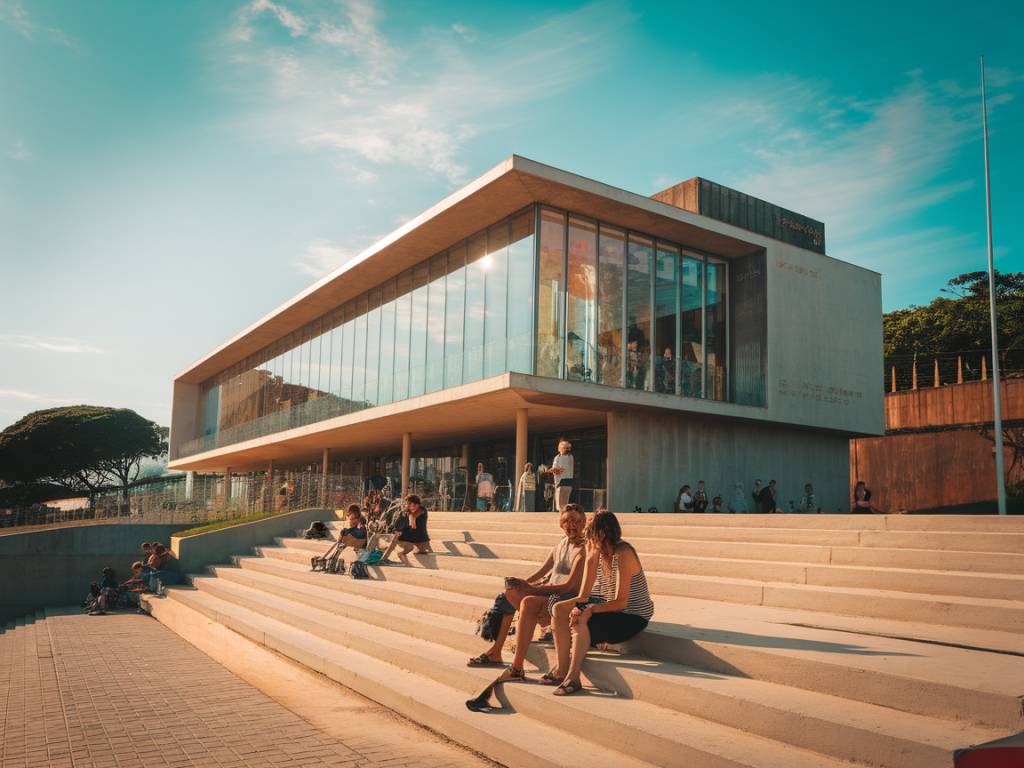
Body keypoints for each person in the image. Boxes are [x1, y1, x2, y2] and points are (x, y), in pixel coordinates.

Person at [468, 505, 587, 669]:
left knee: (528, 601)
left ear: (583, 523)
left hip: (565, 599)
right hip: (548, 593)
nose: (570, 525)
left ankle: (510, 661)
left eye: (574, 521)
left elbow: (568, 587)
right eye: (566, 521)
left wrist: (531, 589)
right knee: (507, 594)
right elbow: (542, 571)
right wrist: (520, 584)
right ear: (561, 524)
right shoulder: (562, 544)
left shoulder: (584, 548)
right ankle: (496, 651)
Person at [548, 511, 654, 695]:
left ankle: (573, 678)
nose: (588, 539)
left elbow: (621, 602)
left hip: (632, 617)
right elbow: (584, 595)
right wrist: (591, 556)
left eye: (591, 534)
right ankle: (561, 669)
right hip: (608, 609)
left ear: (603, 533)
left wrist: (588, 609)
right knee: (558, 609)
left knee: (582, 617)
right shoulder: (597, 552)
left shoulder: (623, 553)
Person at [381, 494, 431, 561]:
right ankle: (385, 554)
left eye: (410, 504)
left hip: (419, 538)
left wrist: (409, 516)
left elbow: (413, 523)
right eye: (407, 504)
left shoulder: (421, 510)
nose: (408, 505)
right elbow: (402, 526)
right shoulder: (406, 512)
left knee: (398, 536)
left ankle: (390, 553)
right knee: (396, 535)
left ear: (417, 504)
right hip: (412, 536)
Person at [550, 440, 574, 512]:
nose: (567, 449)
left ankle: (562, 517)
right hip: (569, 481)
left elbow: (555, 470)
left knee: (560, 504)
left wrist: (551, 470)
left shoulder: (558, 457)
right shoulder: (571, 457)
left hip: (561, 482)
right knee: (565, 502)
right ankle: (565, 515)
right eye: (566, 448)